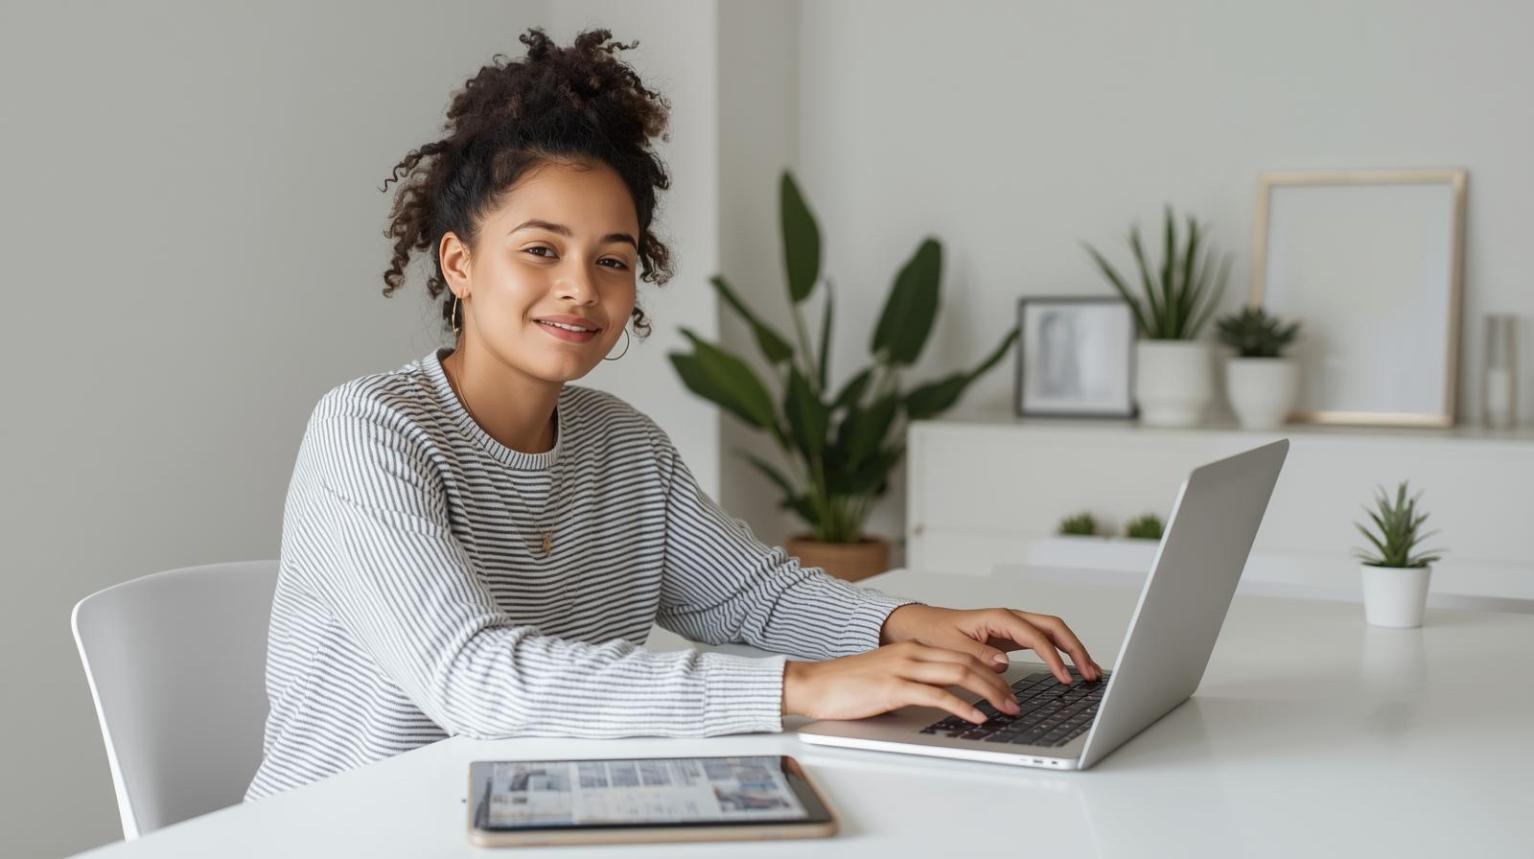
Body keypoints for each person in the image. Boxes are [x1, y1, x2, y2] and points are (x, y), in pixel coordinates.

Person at [244, 27, 1099, 801]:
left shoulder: (622, 444)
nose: (581, 288)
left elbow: (752, 598)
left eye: (612, 260)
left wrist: (909, 623)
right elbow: (477, 682)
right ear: (459, 264)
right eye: (541, 249)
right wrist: (800, 687)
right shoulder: (371, 430)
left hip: (537, 815)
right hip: (342, 830)